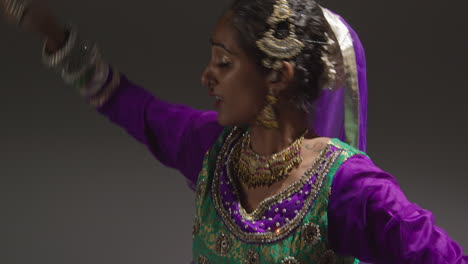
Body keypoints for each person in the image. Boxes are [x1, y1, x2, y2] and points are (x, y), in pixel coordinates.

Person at [1, 0, 466, 263]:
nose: (207, 76)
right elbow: (130, 105)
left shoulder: (347, 188)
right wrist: (55, 36)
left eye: (223, 62)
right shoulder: (211, 149)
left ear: (278, 77)